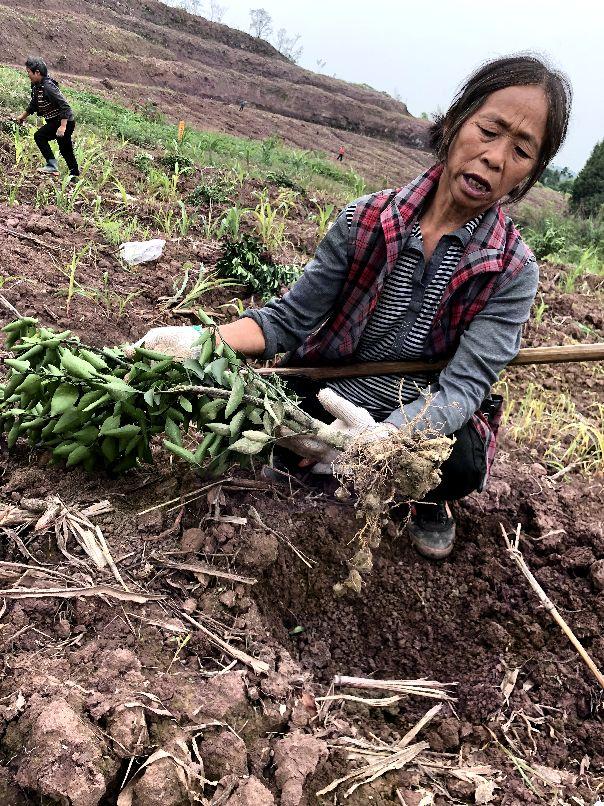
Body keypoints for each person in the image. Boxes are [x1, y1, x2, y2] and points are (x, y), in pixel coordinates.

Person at [134, 55, 571, 560]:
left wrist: (384, 440)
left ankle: (417, 494)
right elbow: (289, 321)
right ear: (455, 123)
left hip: (422, 414)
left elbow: (464, 386)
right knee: (256, 406)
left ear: (530, 173)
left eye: (521, 150)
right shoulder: (365, 220)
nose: (495, 157)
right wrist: (200, 342)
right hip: (337, 387)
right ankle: (332, 463)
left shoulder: (512, 270)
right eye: (489, 130)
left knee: (462, 466)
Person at [15, 57, 80, 181]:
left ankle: (56, 168)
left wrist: (63, 126)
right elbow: (33, 105)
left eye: (29, 72)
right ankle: (73, 175)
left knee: (42, 137)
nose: (28, 74)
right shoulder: (36, 86)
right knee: (64, 148)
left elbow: (64, 106)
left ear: (37, 72)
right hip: (55, 121)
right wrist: (22, 117)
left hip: (64, 121)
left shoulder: (48, 86)